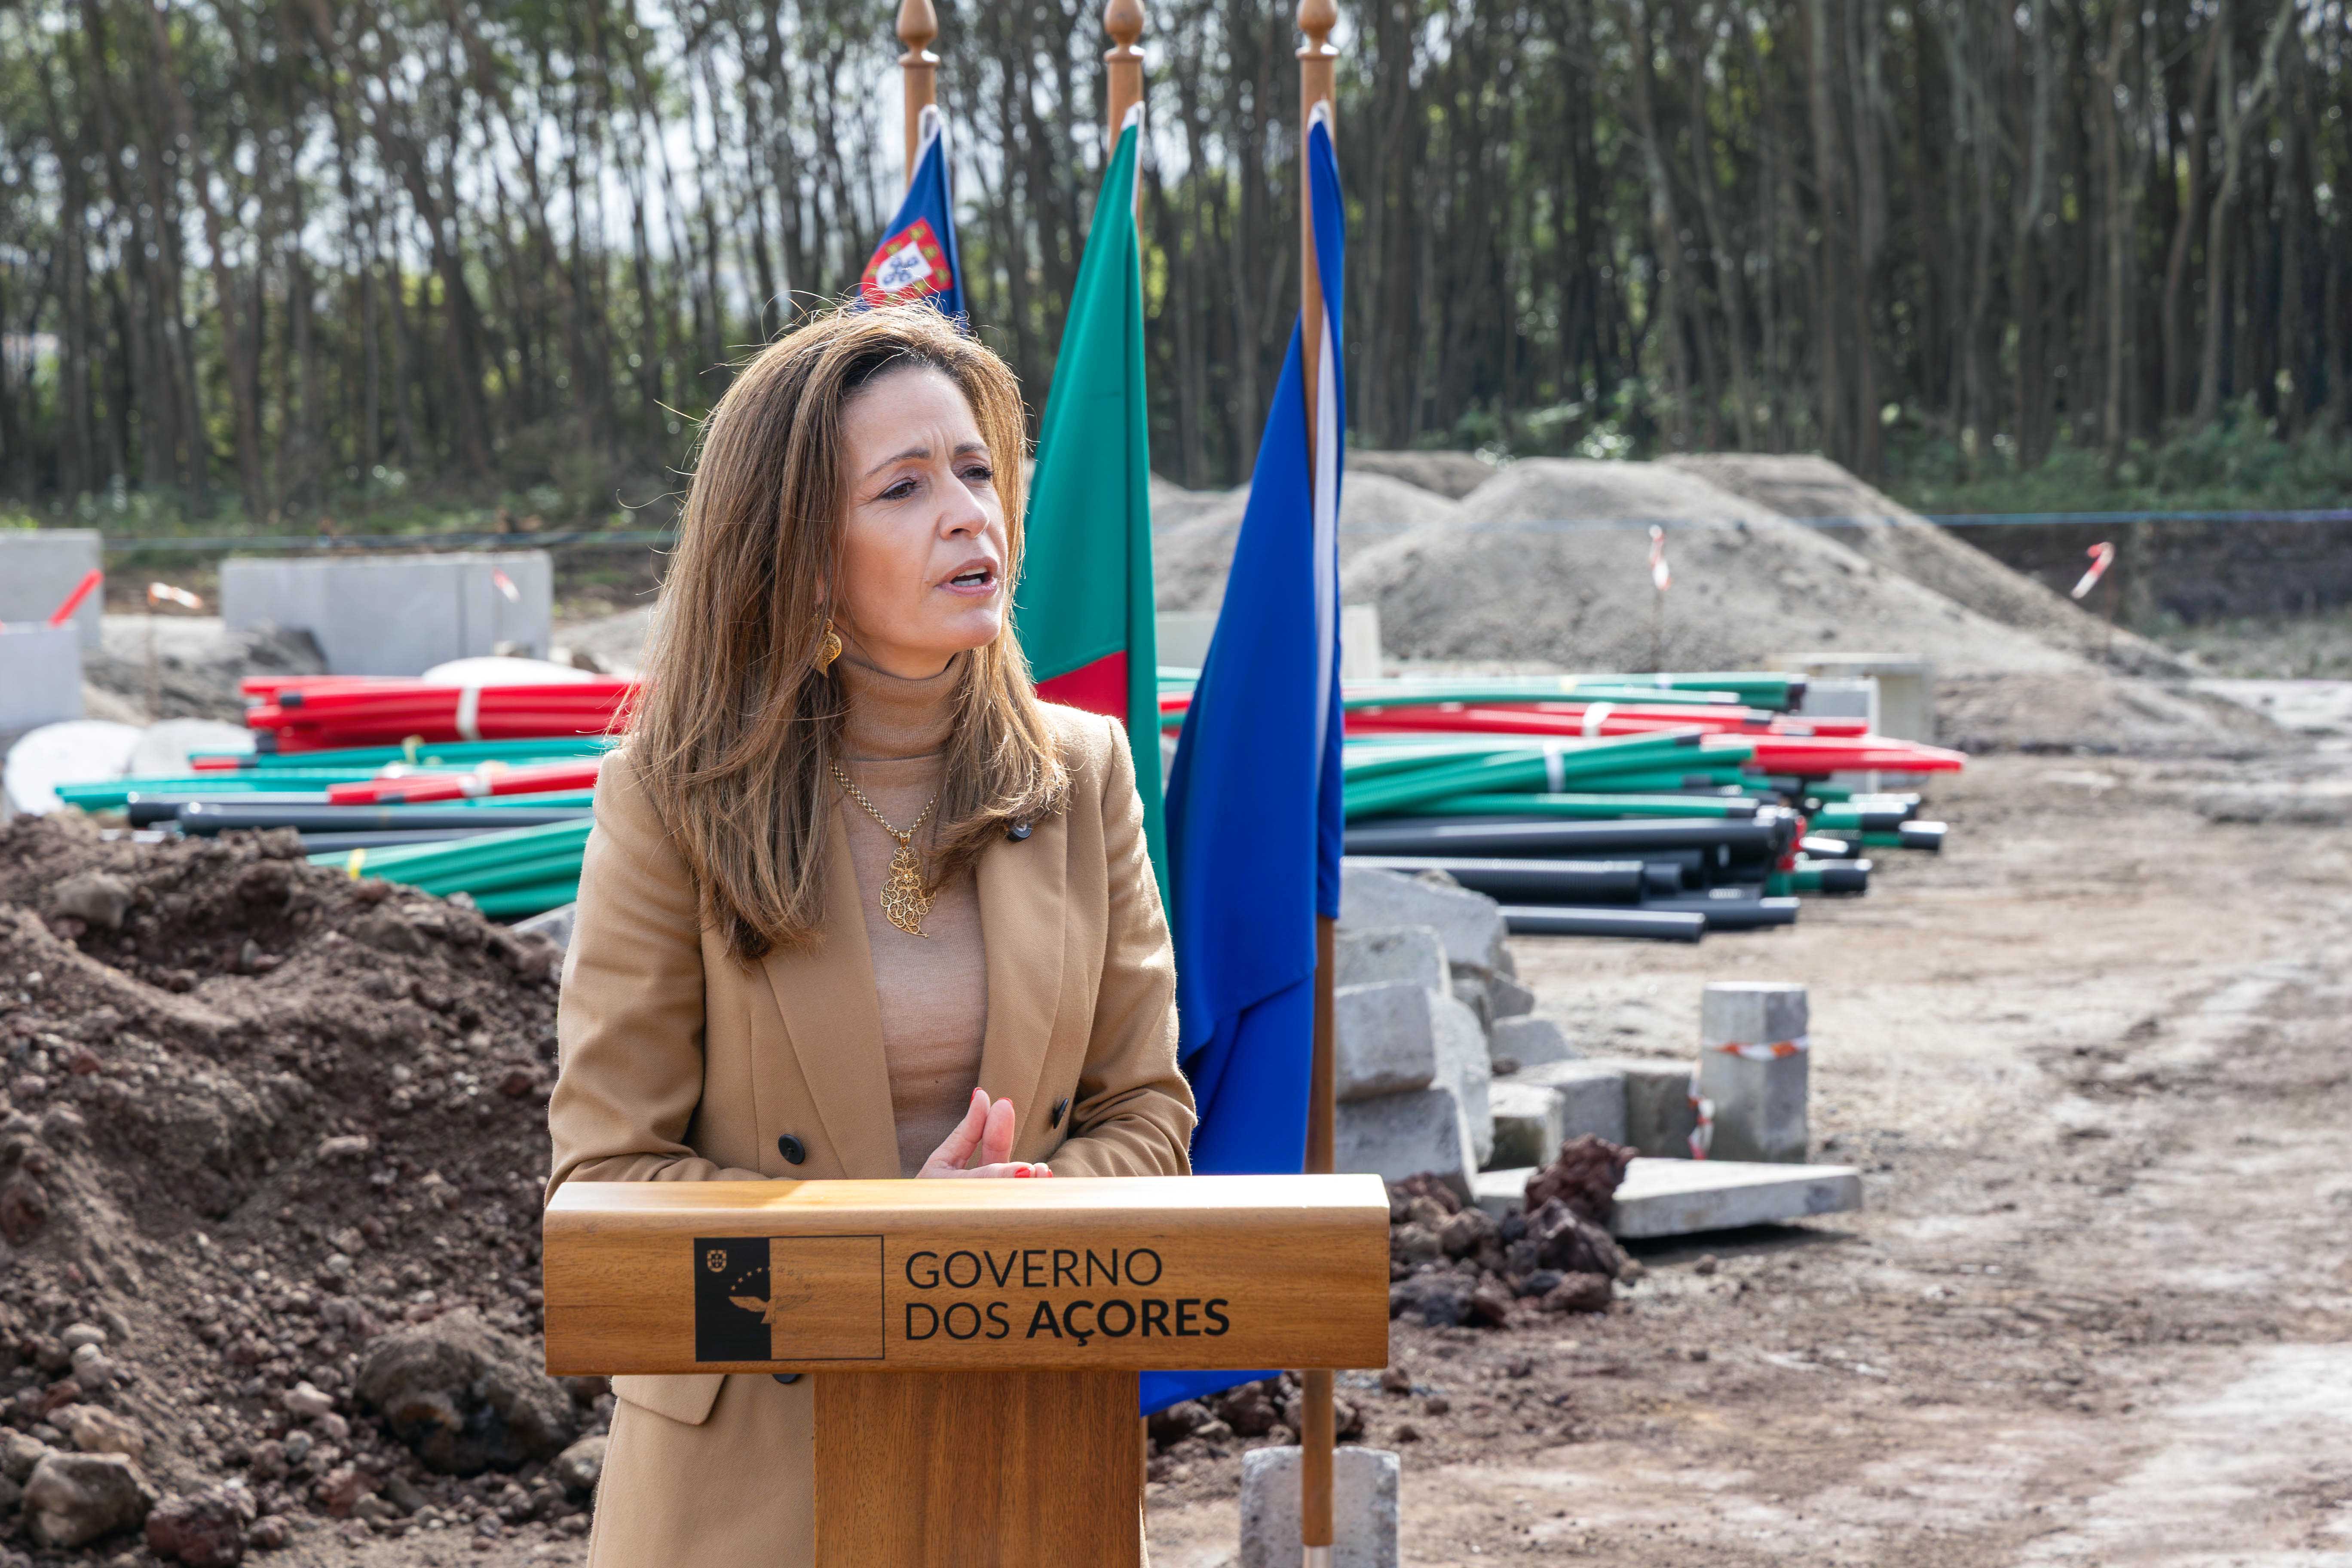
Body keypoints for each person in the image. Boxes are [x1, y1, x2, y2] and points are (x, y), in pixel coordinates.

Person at [544, 303, 1195, 1565]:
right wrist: (883, 1244)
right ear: (801, 552)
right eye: (903, 488)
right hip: (752, 1479)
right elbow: (607, 1184)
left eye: (975, 470)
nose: (971, 513)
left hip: (1018, 1451)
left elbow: (1148, 1119)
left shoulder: (1087, 772)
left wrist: (1002, 1238)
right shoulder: (668, 800)